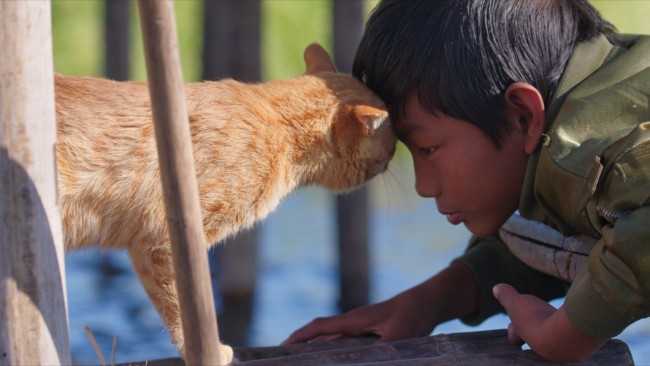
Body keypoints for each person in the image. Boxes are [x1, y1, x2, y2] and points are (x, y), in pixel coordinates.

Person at [283, 0, 650, 363]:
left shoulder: (590, 152)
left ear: (523, 116)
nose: (423, 187)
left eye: (427, 149)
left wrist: (566, 335)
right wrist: (427, 303)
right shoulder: (589, 113)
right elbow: (566, 241)